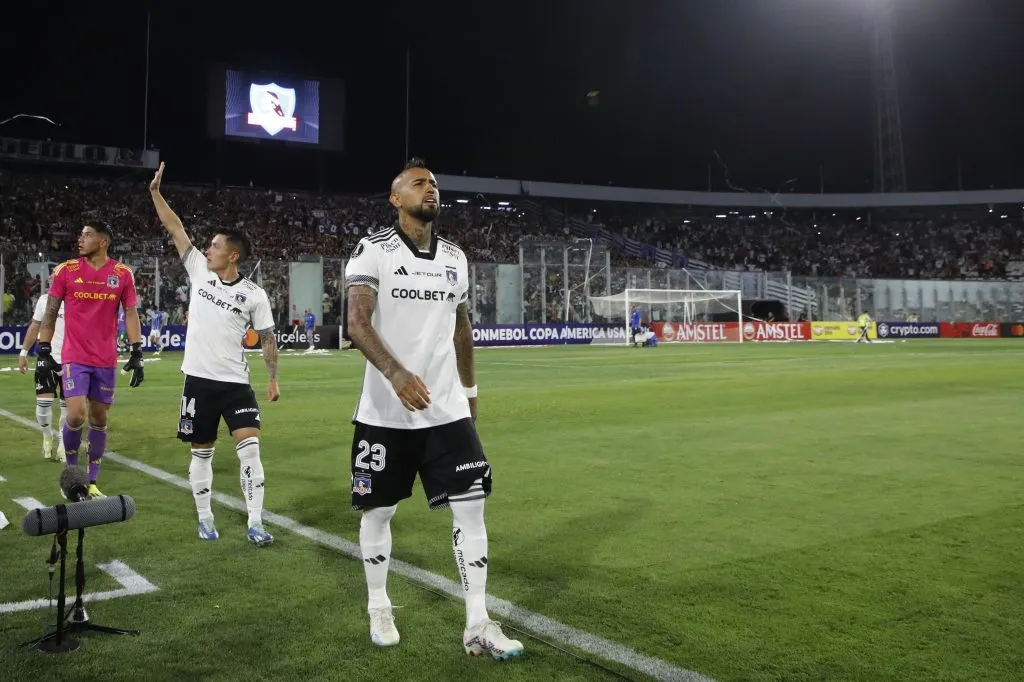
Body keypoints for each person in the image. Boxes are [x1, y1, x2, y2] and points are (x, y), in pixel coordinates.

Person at [344, 159, 523, 659]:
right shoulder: (372, 251)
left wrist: (468, 392)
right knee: (379, 511)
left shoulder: (455, 258)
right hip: (385, 413)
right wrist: (396, 373)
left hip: (445, 410)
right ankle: (379, 603)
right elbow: (357, 323)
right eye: (419, 184)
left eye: (435, 184)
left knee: (472, 507)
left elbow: (462, 328)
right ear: (395, 198)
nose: (432, 189)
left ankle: (478, 623)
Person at [149, 162, 279, 547]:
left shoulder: (255, 294)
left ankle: (256, 521)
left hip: (236, 384)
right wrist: (156, 193)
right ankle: (205, 518)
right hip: (199, 382)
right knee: (202, 454)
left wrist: (272, 378)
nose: (208, 248)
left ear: (233, 255)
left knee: (250, 450)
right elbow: (175, 228)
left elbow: (268, 338)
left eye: (216, 245)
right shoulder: (199, 271)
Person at [36, 222, 146, 500]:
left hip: (105, 359)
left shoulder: (122, 274)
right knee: (75, 414)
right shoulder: (66, 271)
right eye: (81, 234)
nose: (80, 239)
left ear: (103, 241)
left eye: (87, 235)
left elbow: (131, 313)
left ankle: (92, 481)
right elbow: (51, 311)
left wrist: (136, 351)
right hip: (74, 356)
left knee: (99, 418)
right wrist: (44, 348)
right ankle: (72, 476)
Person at [19, 291, 68, 461]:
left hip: (71, 360)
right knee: (43, 408)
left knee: (67, 407)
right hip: (47, 358)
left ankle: (63, 443)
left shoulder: (77, 297)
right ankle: (47, 435)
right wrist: (23, 352)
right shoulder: (44, 300)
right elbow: (35, 326)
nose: (53, 277)